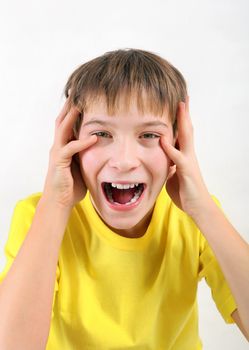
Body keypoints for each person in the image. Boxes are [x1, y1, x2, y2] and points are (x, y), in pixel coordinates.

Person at [0, 49, 248, 349]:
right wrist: (55, 204)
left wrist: (203, 209)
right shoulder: (38, 215)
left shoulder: (196, 217)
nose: (124, 161)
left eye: (149, 136)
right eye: (102, 134)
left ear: (179, 143)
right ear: (72, 143)